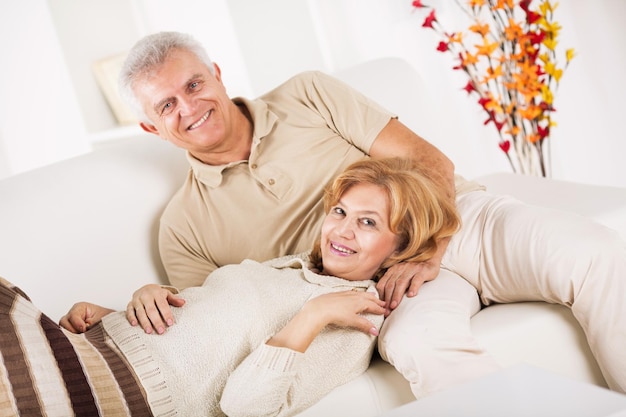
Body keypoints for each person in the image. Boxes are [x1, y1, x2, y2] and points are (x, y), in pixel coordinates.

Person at [119, 31, 626, 397]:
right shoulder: (183, 225)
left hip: (456, 221)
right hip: (379, 295)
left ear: (217, 75)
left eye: (193, 84)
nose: (189, 107)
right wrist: (137, 299)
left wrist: (429, 251)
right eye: (165, 106)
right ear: (150, 128)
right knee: (423, 348)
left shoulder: (307, 94)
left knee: (593, 252)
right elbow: (216, 320)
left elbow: (430, 163)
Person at [0, 158, 460, 416]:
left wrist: (314, 316)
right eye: (340, 212)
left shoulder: (350, 320)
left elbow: (247, 406)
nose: (342, 231)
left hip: (114, 395)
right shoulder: (290, 267)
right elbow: (201, 329)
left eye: (367, 223)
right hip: (87, 346)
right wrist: (122, 309)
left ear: (399, 249)